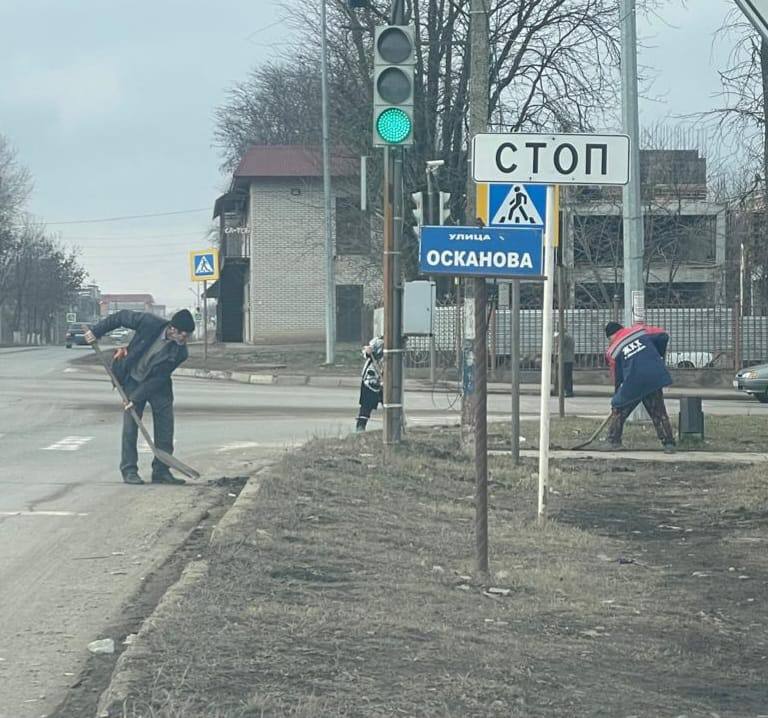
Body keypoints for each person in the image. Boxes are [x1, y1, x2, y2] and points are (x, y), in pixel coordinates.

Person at [84, 309, 196, 484]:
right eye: (183, 333)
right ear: (172, 328)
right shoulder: (149, 322)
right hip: (132, 379)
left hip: (158, 386)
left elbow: (159, 378)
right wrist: (96, 332)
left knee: (165, 427)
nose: (185, 338)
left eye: (188, 335)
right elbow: (120, 317)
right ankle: (129, 470)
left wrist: (135, 398)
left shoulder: (180, 353)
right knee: (131, 426)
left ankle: (161, 471)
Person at [604, 321, 676, 452]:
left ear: (611, 336)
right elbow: (663, 336)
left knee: (619, 409)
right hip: (653, 376)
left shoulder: (612, 351)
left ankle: (613, 441)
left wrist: (617, 398)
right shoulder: (639, 331)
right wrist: (657, 354)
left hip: (633, 383)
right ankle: (669, 444)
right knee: (658, 412)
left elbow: (617, 378)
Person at [356, 337, 384, 432]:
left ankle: (398, 428)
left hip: (388, 381)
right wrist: (368, 351)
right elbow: (366, 352)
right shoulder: (378, 341)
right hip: (371, 380)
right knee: (366, 406)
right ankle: (360, 428)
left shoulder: (398, 342)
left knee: (392, 406)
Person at [553, 330, 575, 397]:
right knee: (567, 377)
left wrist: (556, 337)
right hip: (568, 359)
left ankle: (567, 391)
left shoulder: (565, 337)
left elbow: (560, 342)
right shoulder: (570, 336)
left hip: (565, 360)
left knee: (565, 377)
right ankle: (567, 391)